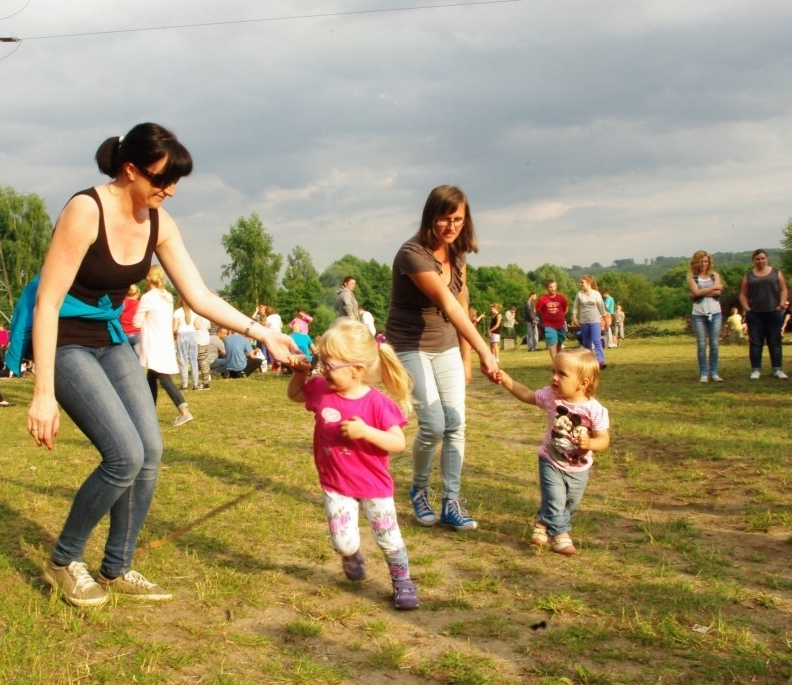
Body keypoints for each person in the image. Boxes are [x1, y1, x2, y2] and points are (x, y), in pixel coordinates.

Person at [26, 122, 297, 608]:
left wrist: (263, 334)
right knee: (124, 455)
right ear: (130, 170)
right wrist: (42, 394)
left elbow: (199, 295)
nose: (168, 191)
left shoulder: (159, 221)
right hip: (66, 340)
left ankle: (117, 565)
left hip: (112, 340)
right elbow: (47, 303)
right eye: (160, 181)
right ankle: (65, 560)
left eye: (174, 183)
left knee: (150, 452)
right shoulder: (86, 210)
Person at [386, 185, 500, 532]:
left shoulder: (457, 252)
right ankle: (419, 489)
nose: (452, 226)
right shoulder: (412, 254)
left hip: (447, 344)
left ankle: (452, 500)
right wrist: (485, 351)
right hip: (409, 344)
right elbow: (448, 305)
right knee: (434, 424)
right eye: (445, 219)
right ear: (431, 215)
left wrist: (466, 358)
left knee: (456, 423)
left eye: (459, 220)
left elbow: (462, 303)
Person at [286, 319, 419, 610]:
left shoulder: (377, 403)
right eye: (320, 363)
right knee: (343, 543)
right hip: (336, 483)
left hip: (373, 485)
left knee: (388, 538)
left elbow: (398, 443)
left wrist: (367, 432)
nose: (322, 371)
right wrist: (301, 373)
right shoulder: (321, 388)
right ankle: (351, 554)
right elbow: (295, 395)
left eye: (329, 366)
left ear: (357, 370)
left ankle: (402, 581)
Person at [495, 349, 610, 555]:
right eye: (553, 371)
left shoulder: (595, 410)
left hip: (579, 467)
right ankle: (561, 536)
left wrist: (590, 443)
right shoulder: (550, 397)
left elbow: (604, 439)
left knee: (569, 503)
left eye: (562, 374)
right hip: (551, 460)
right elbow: (527, 395)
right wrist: (507, 380)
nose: (554, 378)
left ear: (583, 383)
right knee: (555, 499)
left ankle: (542, 524)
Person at [134, 266, 193, 426]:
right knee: (151, 377)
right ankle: (149, 415)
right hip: (164, 341)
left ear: (147, 279)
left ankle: (184, 410)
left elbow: (137, 321)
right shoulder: (167, 297)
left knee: (163, 378)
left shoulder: (148, 297)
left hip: (152, 343)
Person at [738, 249, 789, 380]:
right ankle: (756, 370)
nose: (760, 261)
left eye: (762, 258)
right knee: (755, 342)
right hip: (755, 314)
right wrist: (747, 308)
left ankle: (777, 369)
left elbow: (783, 289)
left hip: (774, 312)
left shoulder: (776, 273)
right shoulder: (749, 275)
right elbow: (743, 294)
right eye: (757, 259)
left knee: (775, 342)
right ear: (753, 261)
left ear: (767, 259)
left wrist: (782, 304)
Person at [687, 250, 724, 382]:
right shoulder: (692, 277)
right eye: (701, 261)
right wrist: (712, 289)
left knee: (714, 344)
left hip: (715, 313)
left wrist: (700, 293)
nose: (703, 264)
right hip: (699, 314)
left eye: (706, 261)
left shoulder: (715, 275)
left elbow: (718, 292)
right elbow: (695, 292)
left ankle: (714, 372)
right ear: (696, 262)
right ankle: (704, 372)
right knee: (701, 344)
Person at [571, 275, 608, 369]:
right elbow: (575, 306)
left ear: (588, 283)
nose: (580, 284)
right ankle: (589, 362)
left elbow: (601, 307)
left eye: (582, 282)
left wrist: (605, 319)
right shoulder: (579, 294)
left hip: (595, 320)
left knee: (596, 340)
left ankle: (601, 361)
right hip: (584, 321)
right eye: (580, 282)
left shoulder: (596, 294)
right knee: (586, 342)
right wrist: (574, 316)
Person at [537, 280, 569, 363]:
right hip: (549, 326)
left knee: (559, 344)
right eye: (550, 287)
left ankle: (558, 362)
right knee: (552, 343)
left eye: (554, 286)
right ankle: (555, 363)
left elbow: (565, 309)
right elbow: (538, 311)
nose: (553, 289)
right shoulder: (542, 299)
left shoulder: (562, 298)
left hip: (560, 325)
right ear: (547, 288)